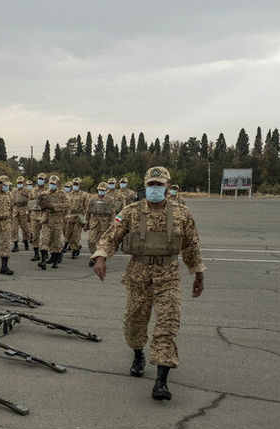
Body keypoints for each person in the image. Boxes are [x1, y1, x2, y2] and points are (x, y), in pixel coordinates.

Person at [91, 166, 205, 401]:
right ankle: (138, 353)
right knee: (134, 322)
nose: (155, 189)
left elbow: (192, 246)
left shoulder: (182, 213)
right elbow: (112, 236)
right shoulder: (131, 211)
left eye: (159, 185)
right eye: (151, 185)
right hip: (138, 275)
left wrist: (198, 274)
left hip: (168, 275)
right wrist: (101, 257)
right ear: (145, 186)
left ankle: (161, 381)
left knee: (167, 324)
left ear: (168, 187)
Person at [36, 175, 67, 270]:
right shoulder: (44, 194)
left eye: (54, 184)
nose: (52, 185)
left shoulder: (62, 194)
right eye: (51, 184)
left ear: (57, 184)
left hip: (57, 221)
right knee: (44, 240)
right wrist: (43, 206)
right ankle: (43, 261)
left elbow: (67, 205)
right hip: (46, 220)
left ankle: (55, 260)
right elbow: (39, 204)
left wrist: (53, 206)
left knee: (56, 241)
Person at [84, 181, 116, 266]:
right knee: (91, 241)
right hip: (94, 222)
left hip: (105, 223)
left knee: (101, 243)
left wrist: (112, 223)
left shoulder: (110, 200)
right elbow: (88, 212)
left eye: (103, 190)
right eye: (99, 190)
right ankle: (95, 256)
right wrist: (86, 222)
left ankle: (98, 259)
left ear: (106, 190)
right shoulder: (93, 199)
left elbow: (113, 212)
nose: (101, 191)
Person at [64, 178, 87, 258]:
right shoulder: (69, 194)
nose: (75, 186)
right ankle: (76, 246)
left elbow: (86, 207)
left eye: (76, 184)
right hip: (70, 217)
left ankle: (75, 250)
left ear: (79, 185)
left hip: (78, 216)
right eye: (74, 184)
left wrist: (85, 220)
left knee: (76, 235)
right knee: (68, 234)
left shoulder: (83, 195)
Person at [10, 177, 32, 252]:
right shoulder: (14, 190)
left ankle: (26, 242)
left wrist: (29, 211)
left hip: (23, 210)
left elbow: (30, 200)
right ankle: (15, 245)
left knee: (25, 228)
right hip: (15, 211)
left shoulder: (27, 190)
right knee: (14, 229)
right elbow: (11, 200)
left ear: (23, 183)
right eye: (18, 183)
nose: (19, 184)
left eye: (20, 182)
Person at [30, 173, 47, 261]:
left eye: (42, 179)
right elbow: (29, 202)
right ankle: (36, 253)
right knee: (35, 235)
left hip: (45, 214)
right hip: (34, 214)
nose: (40, 180)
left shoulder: (48, 190)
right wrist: (28, 214)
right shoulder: (33, 190)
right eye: (39, 178)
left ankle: (45, 252)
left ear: (45, 180)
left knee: (45, 236)